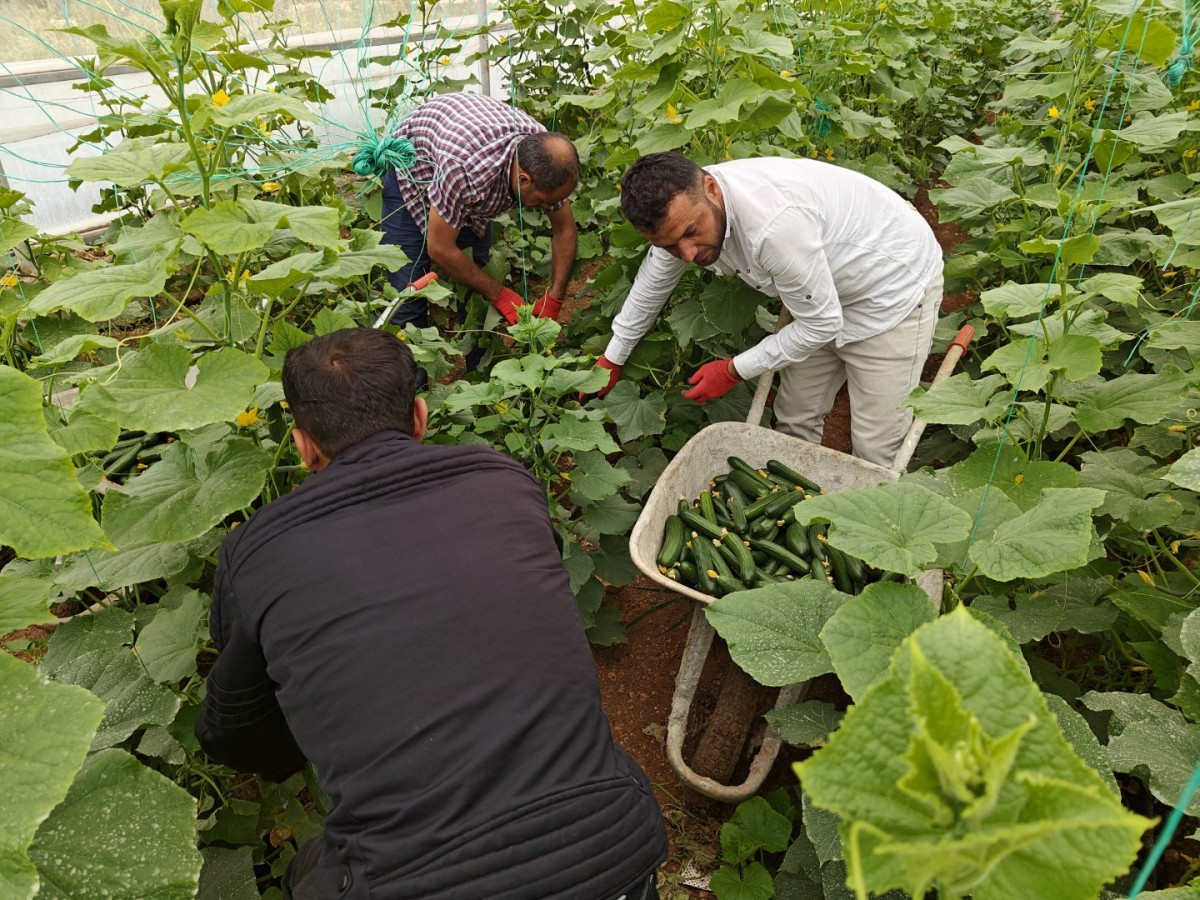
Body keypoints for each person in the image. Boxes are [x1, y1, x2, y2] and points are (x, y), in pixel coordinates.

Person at [195, 328, 667, 900]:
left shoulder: (258, 549)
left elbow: (234, 730)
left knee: (309, 875)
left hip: (413, 883)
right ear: (420, 417)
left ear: (303, 446)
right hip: (611, 847)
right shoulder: (503, 481)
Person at [593, 152, 944, 468]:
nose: (686, 254)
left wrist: (732, 370)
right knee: (793, 420)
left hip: (889, 291)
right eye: (670, 245)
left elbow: (820, 325)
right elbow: (654, 281)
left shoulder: (773, 226)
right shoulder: (686, 214)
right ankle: (800, 516)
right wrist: (615, 354)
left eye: (691, 233)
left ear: (711, 188)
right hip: (816, 294)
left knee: (875, 449)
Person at [381, 92, 579, 329]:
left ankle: (477, 363)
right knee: (409, 291)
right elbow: (440, 249)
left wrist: (555, 297)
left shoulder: (546, 157)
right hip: (413, 172)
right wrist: (499, 293)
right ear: (524, 179)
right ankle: (408, 364)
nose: (549, 207)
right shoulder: (465, 171)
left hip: (458, 155)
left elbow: (564, 228)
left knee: (477, 291)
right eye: (544, 202)